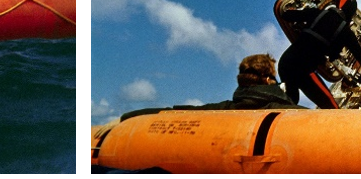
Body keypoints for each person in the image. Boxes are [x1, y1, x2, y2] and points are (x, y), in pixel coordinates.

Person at [277, 0, 361, 108]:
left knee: (288, 102)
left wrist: (292, 11)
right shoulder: (346, 32)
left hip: (285, 62)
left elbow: (286, 15)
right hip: (302, 70)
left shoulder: (317, 13)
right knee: (331, 107)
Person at [120, 53, 304, 121]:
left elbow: (171, 112)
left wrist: (124, 119)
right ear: (267, 79)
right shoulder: (294, 114)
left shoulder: (219, 111)